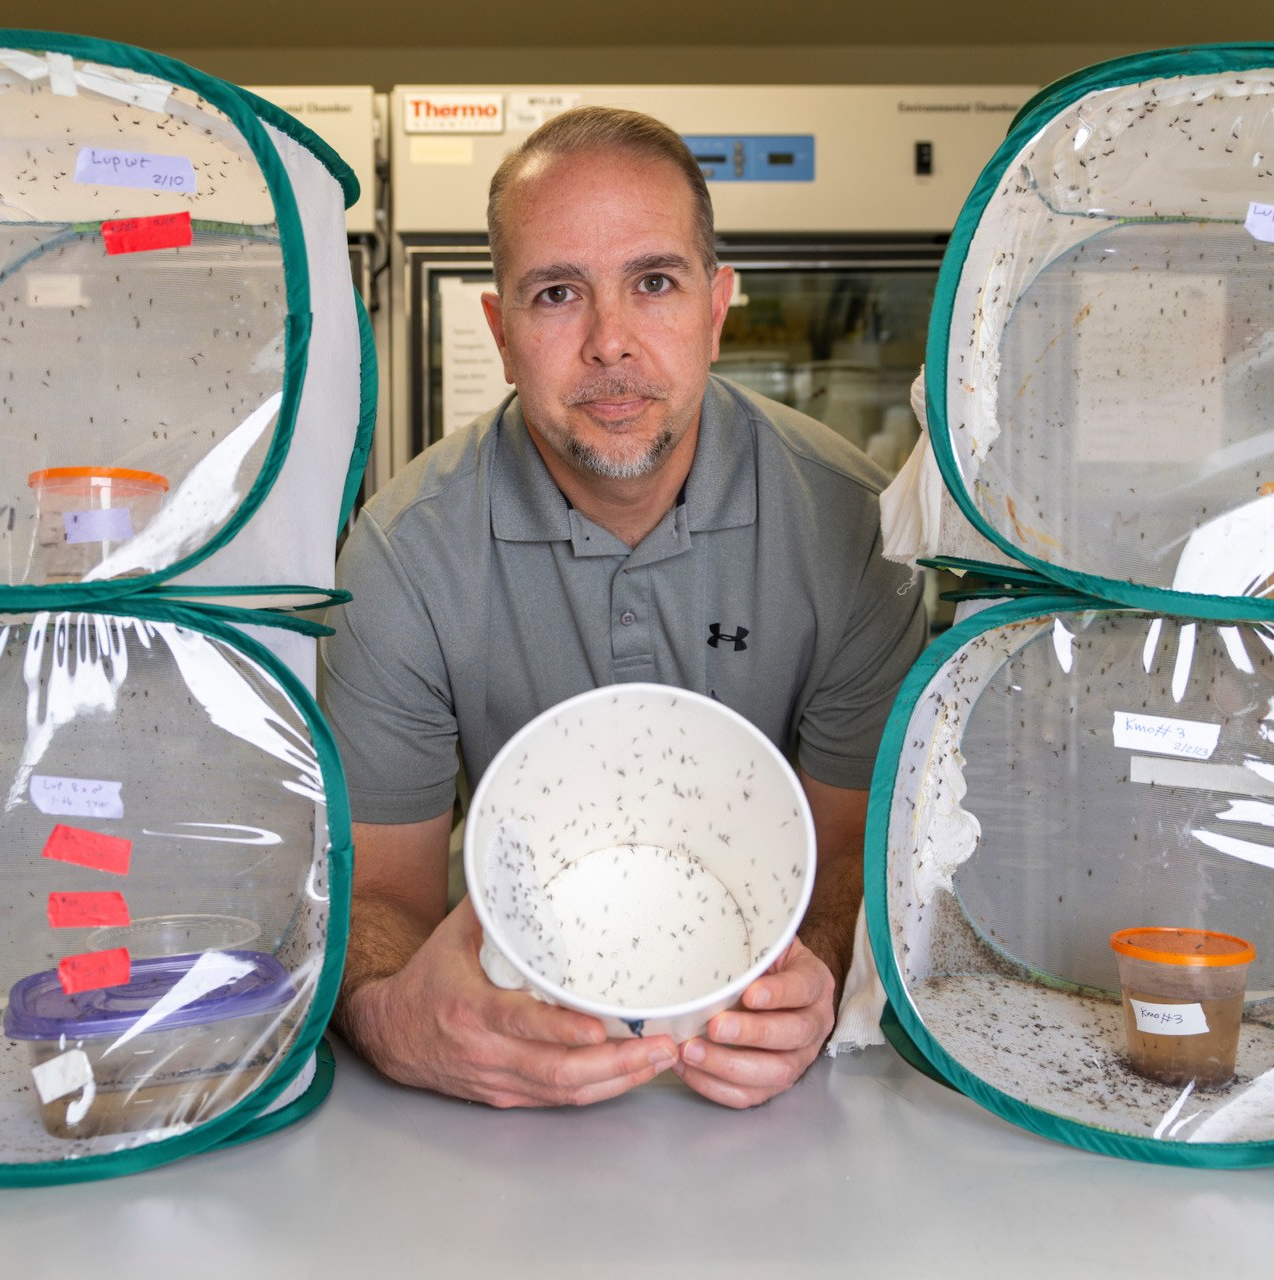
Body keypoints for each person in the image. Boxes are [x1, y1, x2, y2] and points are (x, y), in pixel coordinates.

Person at [320, 106, 925, 1109]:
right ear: (501, 331)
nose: (610, 342)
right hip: (508, 1069)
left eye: (654, 282)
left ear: (719, 305)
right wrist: (391, 1016)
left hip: (762, 1098)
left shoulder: (856, 532)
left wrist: (807, 987)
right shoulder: (399, 557)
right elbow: (382, 892)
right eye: (558, 293)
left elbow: (847, 856)